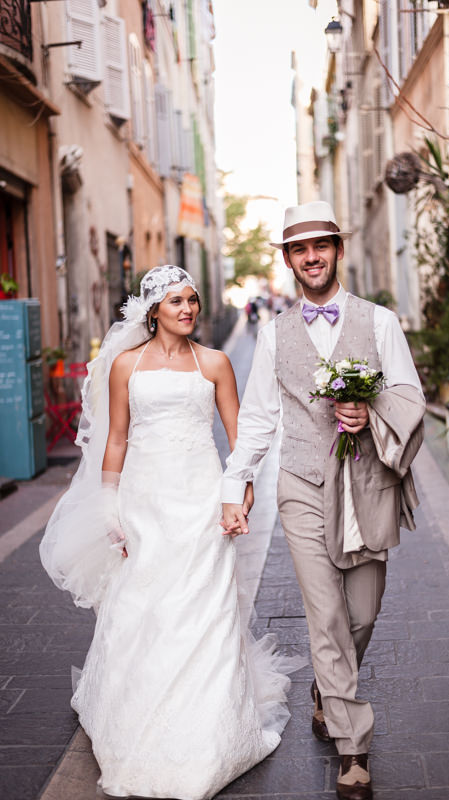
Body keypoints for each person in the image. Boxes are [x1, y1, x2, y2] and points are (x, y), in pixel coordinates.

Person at [40, 266, 300, 800]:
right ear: (153, 310)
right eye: (175, 301)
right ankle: (136, 716)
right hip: (144, 502)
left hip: (201, 499)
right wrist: (109, 503)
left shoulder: (217, 364)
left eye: (193, 300)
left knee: (206, 608)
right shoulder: (126, 367)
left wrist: (241, 490)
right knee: (145, 607)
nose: (187, 309)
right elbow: (115, 439)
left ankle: (210, 731)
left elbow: (239, 436)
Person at [222, 202, 425, 800]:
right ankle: (352, 746)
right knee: (327, 617)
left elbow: (409, 396)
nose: (311, 257)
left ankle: (325, 689)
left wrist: (371, 410)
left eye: (321, 246)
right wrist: (236, 483)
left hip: (368, 488)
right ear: (288, 260)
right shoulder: (274, 333)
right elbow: (258, 418)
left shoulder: (380, 322)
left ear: (337, 249)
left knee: (362, 612)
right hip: (304, 487)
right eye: (298, 249)